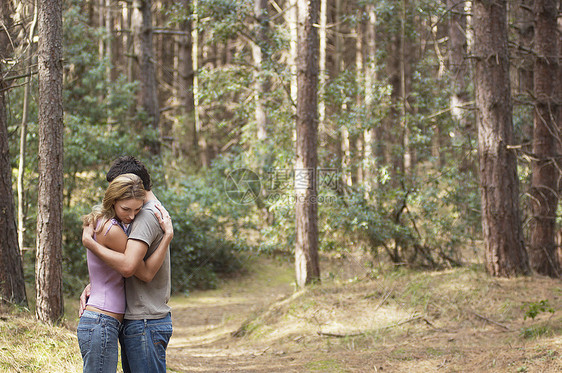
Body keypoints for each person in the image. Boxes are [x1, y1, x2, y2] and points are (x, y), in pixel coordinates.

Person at [80, 156, 174, 373]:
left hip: (145, 321)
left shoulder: (146, 216)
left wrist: (89, 243)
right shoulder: (142, 213)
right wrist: (95, 284)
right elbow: (118, 265)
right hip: (135, 320)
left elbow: (131, 267)